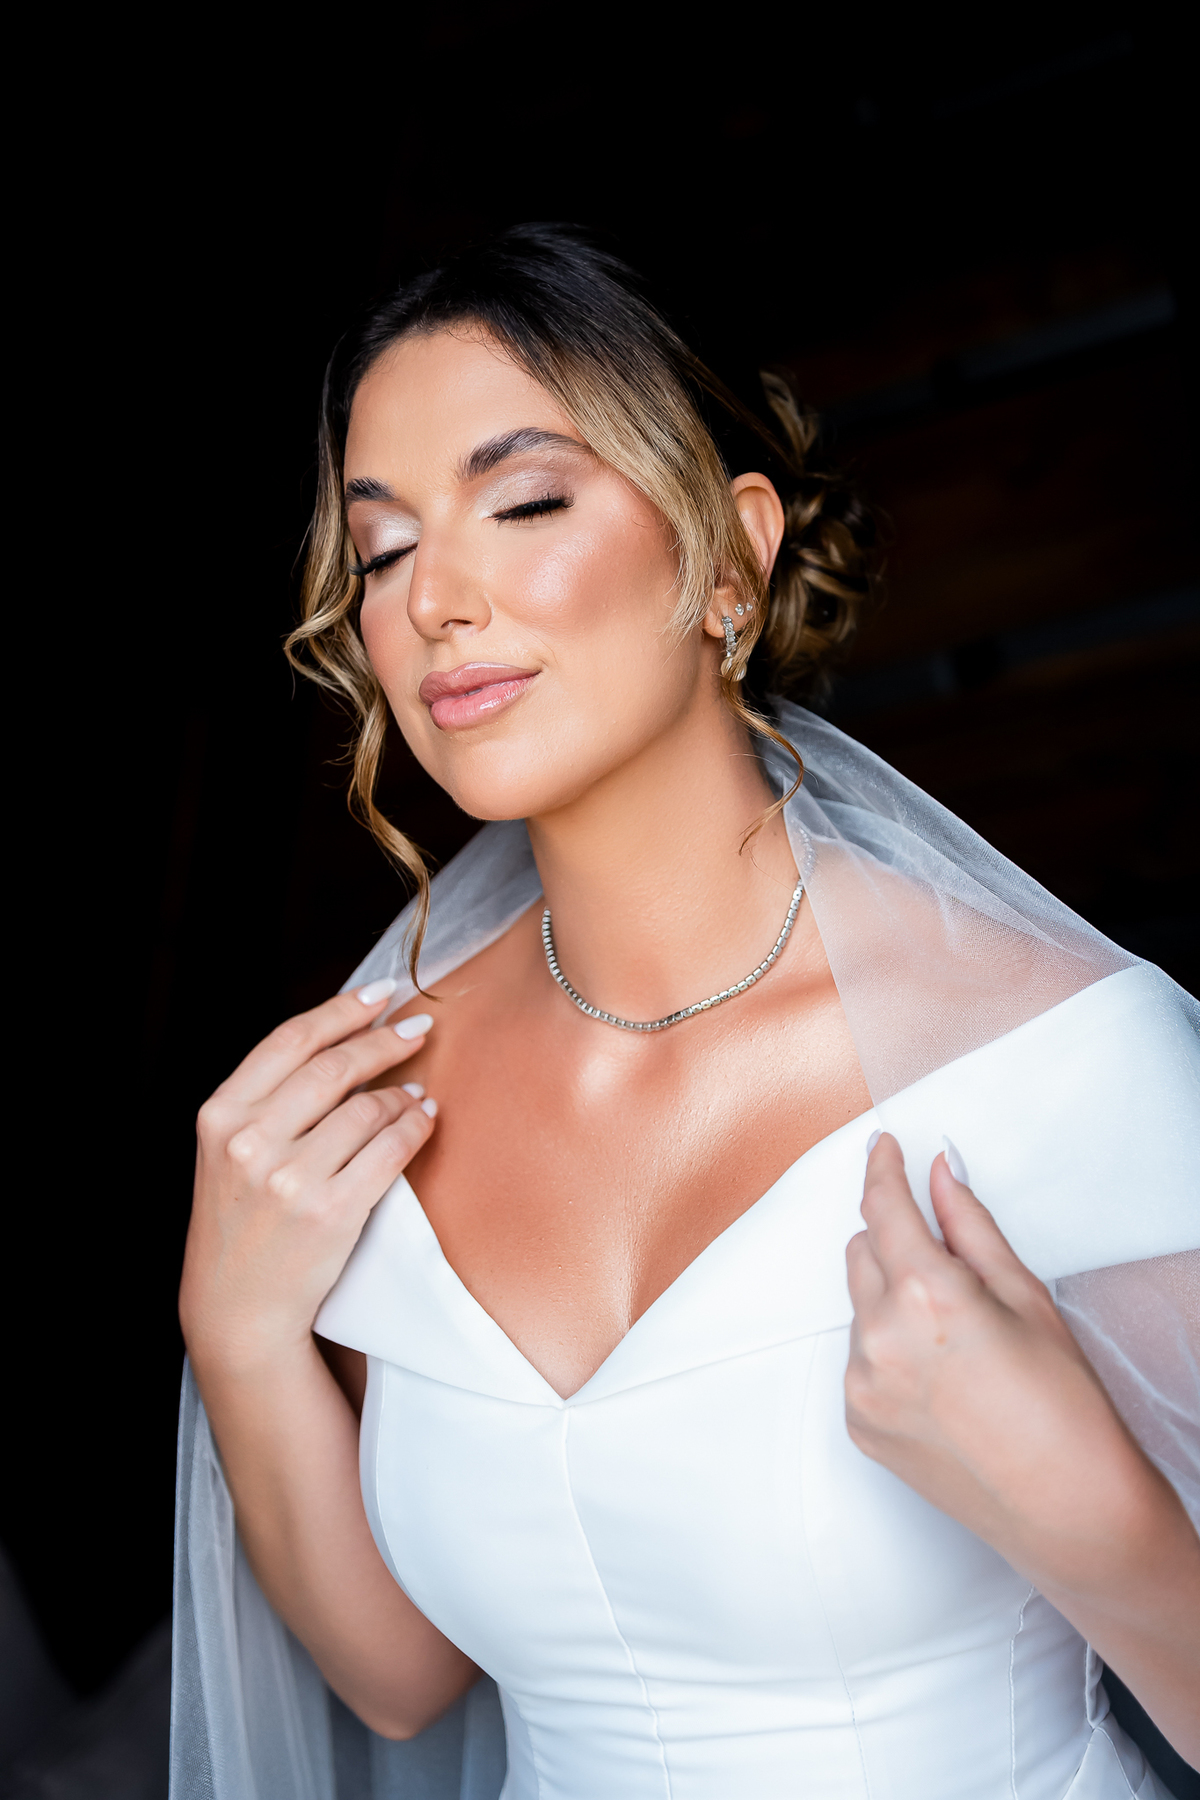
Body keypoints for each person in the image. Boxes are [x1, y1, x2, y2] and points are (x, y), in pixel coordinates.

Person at [172, 226, 1200, 1800]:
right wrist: (237, 1332)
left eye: (524, 503)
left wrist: (1095, 1520)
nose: (434, 598)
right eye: (381, 550)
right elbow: (399, 1681)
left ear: (732, 558)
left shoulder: (1063, 1063)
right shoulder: (382, 1078)